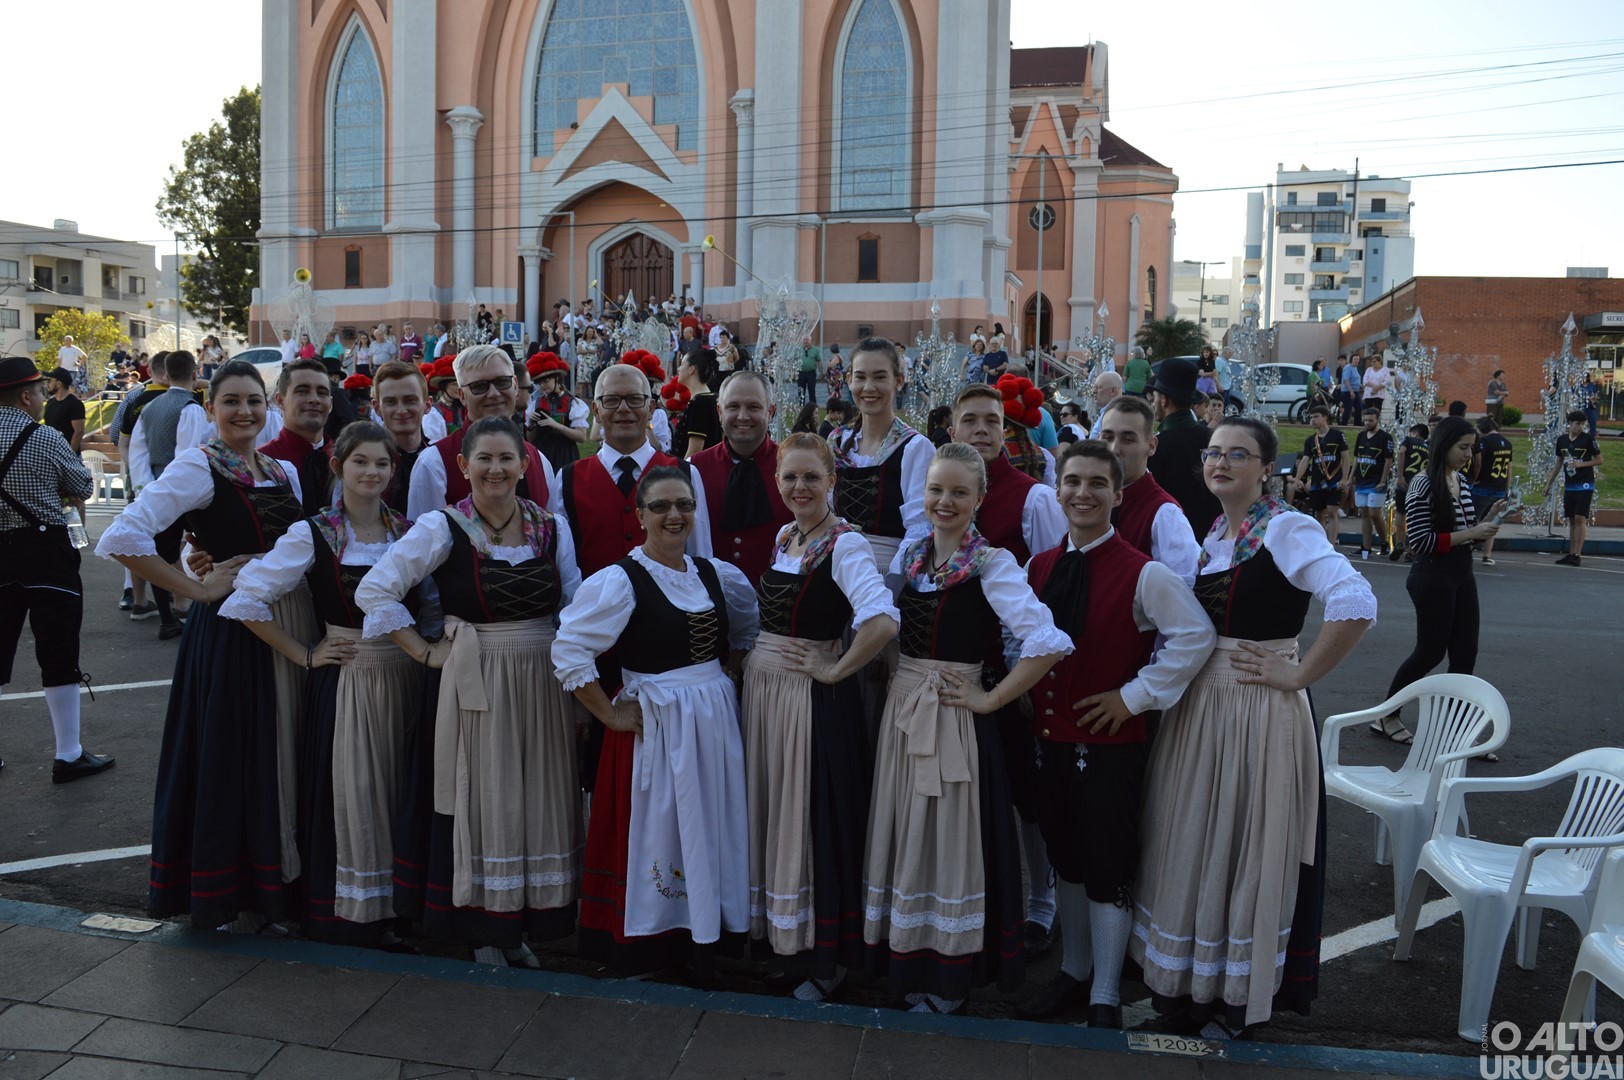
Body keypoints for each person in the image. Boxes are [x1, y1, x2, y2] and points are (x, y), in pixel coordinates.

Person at [1130, 417, 1375, 1039]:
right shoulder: (1216, 532)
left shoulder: (1287, 528)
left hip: (1256, 710)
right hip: (1203, 709)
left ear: (1267, 467)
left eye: (1238, 454)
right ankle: (1194, 983)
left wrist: (1298, 674)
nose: (1221, 462)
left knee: (1244, 849)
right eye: (1213, 453)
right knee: (1198, 842)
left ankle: (1235, 997)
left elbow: (1354, 600)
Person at [357, 416, 584, 965]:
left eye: (507, 458)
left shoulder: (551, 526)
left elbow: (574, 604)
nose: (496, 469)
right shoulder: (442, 526)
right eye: (483, 459)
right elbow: (376, 589)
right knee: (488, 799)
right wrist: (425, 651)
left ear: (525, 464)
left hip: (543, 676)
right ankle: (486, 929)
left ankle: (521, 925)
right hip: (477, 675)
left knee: (535, 798)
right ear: (463, 466)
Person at [97, 359, 311, 928]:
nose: (244, 411)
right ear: (210, 408)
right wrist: (196, 586)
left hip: (288, 619)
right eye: (232, 401)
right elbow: (123, 534)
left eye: (254, 402)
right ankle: (231, 891)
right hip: (232, 632)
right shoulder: (198, 466)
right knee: (236, 753)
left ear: (268, 409)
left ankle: (274, 887)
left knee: (279, 752)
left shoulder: (280, 470)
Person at [861, 443, 1072, 1015]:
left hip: (955, 717)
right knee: (909, 833)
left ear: (980, 498)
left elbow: (1048, 642)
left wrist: (991, 698)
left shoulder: (993, 564)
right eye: (936, 490)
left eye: (958, 492)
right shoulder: (911, 555)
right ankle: (908, 962)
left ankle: (949, 975)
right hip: (906, 711)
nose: (945, 501)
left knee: (949, 841)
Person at [1017, 442, 1215, 1026]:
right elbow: (1025, 636)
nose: (1083, 493)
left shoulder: (1144, 572)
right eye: (1072, 482)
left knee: (1107, 865)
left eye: (1097, 484)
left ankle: (1105, 992)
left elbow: (1194, 636)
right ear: (1058, 491)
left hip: (1108, 748)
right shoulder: (1040, 567)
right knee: (1067, 861)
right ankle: (1074, 974)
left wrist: (1133, 697)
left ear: (1117, 494)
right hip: (1050, 739)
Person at [553, 465, 759, 982]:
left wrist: (721, 678)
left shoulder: (715, 574)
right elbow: (570, 649)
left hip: (713, 719)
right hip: (658, 722)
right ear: (641, 514)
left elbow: (747, 630)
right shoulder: (621, 579)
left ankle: (706, 938)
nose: (674, 516)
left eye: (683, 505)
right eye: (661, 506)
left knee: (712, 819)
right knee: (662, 827)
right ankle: (652, 943)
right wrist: (610, 714)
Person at [218, 423, 416, 948]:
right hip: (348, 677)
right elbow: (245, 600)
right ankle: (352, 915)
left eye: (381, 464)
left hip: (406, 676)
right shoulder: (315, 531)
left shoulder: (409, 530)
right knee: (355, 794)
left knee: (400, 793)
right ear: (338, 468)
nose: (371, 473)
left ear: (393, 472)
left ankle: (398, 908)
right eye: (361, 463)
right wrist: (306, 654)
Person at [740, 433, 898, 1000]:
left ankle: (825, 962)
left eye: (812, 477)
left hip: (808, 702)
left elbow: (881, 621)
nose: (800, 487)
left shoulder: (846, 545)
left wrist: (835, 669)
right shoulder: (788, 536)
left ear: (833, 481)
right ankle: (791, 947)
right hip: (767, 698)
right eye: (790, 478)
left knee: (809, 821)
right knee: (776, 814)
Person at [948, 383, 1066, 956]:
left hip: (1012, 668)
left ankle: (1041, 901)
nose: (981, 430)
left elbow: (1050, 583)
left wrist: (1031, 675)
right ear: (952, 429)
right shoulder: (942, 492)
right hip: (956, 668)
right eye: (970, 420)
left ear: (1008, 430)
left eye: (991, 421)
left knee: (1028, 789)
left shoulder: (1032, 499)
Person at [0, 356, 110, 780]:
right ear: (26, 397)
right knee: (57, 650)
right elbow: (82, 485)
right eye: (42, 392)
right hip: (44, 548)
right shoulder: (44, 438)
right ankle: (68, 754)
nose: (45, 398)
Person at [1374, 416, 1501, 745]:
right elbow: (1420, 540)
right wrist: (1472, 532)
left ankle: (1455, 732)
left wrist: (1487, 522)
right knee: (1429, 652)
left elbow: (1465, 534)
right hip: (1432, 575)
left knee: (1465, 654)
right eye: (1462, 447)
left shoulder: (1461, 481)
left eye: (1471, 448)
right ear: (1443, 445)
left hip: (1462, 573)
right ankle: (1386, 715)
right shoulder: (1423, 484)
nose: (1468, 455)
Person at [407, 345, 557, 521]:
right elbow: (424, 541)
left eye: (502, 382)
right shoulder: (433, 462)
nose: (494, 393)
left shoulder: (540, 460)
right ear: (462, 395)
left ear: (515, 386)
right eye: (479, 386)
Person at [828, 339, 932, 580]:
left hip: (887, 572)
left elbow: (920, 528)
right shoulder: (836, 442)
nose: (869, 387)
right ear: (849, 380)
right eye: (861, 377)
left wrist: (892, 583)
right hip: (834, 568)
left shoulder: (915, 448)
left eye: (880, 377)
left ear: (899, 381)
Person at [130, 351, 212, 640]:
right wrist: (171, 491)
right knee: (186, 549)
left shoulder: (150, 408)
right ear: (194, 374)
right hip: (180, 490)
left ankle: (168, 614)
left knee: (160, 552)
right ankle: (177, 612)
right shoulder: (191, 407)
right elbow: (186, 456)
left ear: (165, 374)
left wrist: (146, 488)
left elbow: (137, 453)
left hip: (153, 487)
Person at [689, 371, 792, 584]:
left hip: (778, 602)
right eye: (733, 407)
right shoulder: (694, 469)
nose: (743, 416)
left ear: (770, 412)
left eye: (754, 407)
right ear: (719, 411)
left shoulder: (793, 468)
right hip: (713, 603)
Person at [1098, 395, 1200, 584]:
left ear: (1151, 446)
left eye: (1128, 439)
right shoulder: (1089, 499)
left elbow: (1182, 591)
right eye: (1108, 437)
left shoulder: (1164, 515)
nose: (1114, 448)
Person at [1147, 356, 1222, 540]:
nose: (1153, 403)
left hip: (1173, 538)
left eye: (1155, 397)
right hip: (1216, 534)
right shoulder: (1213, 439)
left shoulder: (1158, 446)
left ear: (1163, 400)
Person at [261, 358, 336, 516]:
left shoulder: (344, 459)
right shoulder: (262, 462)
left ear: (330, 404)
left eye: (322, 393)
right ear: (280, 401)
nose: (314, 399)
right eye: (302, 391)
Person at [369, 361, 433, 515]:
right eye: (391, 402)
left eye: (410, 400)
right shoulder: (364, 463)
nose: (401, 410)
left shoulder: (439, 459)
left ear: (427, 404)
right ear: (377, 408)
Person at [1547, 409, 1602, 567]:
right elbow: (1558, 463)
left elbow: (1599, 460)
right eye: (1578, 424)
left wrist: (1581, 464)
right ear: (1570, 423)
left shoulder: (1588, 439)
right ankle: (1571, 553)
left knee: (1580, 518)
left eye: (1583, 424)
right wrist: (1549, 484)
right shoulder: (1562, 440)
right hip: (1570, 484)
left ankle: (1578, 553)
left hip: (1585, 484)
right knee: (1571, 519)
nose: (1580, 427)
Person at [524, 353, 589, 475]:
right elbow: (530, 439)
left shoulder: (573, 403)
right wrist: (532, 423)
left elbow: (581, 437)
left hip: (565, 453)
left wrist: (556, 425)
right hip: (542, 453)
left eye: (546, 380)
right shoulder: (535, 403)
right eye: (539, 382)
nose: (542, 385)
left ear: (557, 378)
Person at [1290, 405, 1347, 545]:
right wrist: (1297, 479)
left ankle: (1332, 544)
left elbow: (1345, 457)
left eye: (1316, 417)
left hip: (1334, 480)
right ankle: (1322, 544)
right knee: (1319, 513)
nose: (1313, 420)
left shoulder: (1338, 435)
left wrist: (1345, 478)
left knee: (1332, 511)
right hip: (1317, 481)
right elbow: (1305, 460)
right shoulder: (1310, 440)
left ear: (1325, 418)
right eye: (1311, 418)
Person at [1468, 415, 1513, 566]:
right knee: (1493, 522)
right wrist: (1508, 489)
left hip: (1483, 487)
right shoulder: (1506, 443)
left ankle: (1467, 548)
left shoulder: (1484, 442)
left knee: (1472, 520)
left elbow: (1479, 461)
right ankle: (1487, 555)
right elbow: (1509, 468)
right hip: (1500, 488)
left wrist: (1473, 480)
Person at [1351, 406, 1394, 559]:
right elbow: (1356, 457)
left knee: (1375, 513)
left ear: (1377, 420)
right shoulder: (1361, 436)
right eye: (1366, 420)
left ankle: (1384, 542)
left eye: (1371, 420)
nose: (1367, 423)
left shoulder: (1385, 437)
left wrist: (1383, 480)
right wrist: (1351, 477)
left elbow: (1389, 460)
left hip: (1377, 482)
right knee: (1364, 514)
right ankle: (1366, 546)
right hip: (1362, 481)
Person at [1391, 422, 1429, 562]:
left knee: (1401, 513)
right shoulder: (1428, 447)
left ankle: (1400, 542)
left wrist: (1400, 475)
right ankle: (1412, 550)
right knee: (1415, 517)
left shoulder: (1408, 441)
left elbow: (1401, 452)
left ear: (1416, 433)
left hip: (1404, 483)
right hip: (1419, 485)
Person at [674, 349, 721, 460]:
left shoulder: (700, 402)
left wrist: (680, 474)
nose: (678, 369)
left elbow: (694, 451)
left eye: (681, 365)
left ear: (691, 370)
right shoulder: (710, 398)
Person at [43, 368, 85, 453]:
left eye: (50, 381)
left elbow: (79, 432)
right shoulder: (50, 402)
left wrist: (69, 455)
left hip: (69, 456)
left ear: (59, 384)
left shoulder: (75, 404)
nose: (47, 384)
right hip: (52, 453)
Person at [1088, 371, 1123, 438]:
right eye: (1094, 387)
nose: (1094, 391)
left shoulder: (1116, 414)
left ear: (1113, 391)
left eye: (1098, 387)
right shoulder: (1107, 412)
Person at [1338, 358, 1362, 426]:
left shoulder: (1355, 368)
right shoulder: (1348, 368)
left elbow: (1355, 379)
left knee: (1359, 408)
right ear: (1351, 360)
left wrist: (1360, 385)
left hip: (1356, 391)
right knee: (1348, 409)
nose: (1357, 360)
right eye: (1355, 359)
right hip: (1348, 391)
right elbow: (1346, 380)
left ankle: (1358, 425)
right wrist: (1351, 391)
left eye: (1358, 359)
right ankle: (1343, 425)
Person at [798, 337, 822, 403]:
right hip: (801, 373)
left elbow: (819, 361)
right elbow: (794, 361)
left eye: (807, 339)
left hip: (811, 373)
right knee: (801, 392)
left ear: (810, 340)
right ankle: (801, 408)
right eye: (804, 339)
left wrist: (821, 373)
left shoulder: (815, 350)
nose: (805, 341)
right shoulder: (798, 350)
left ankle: (813, 408)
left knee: (812, 392)